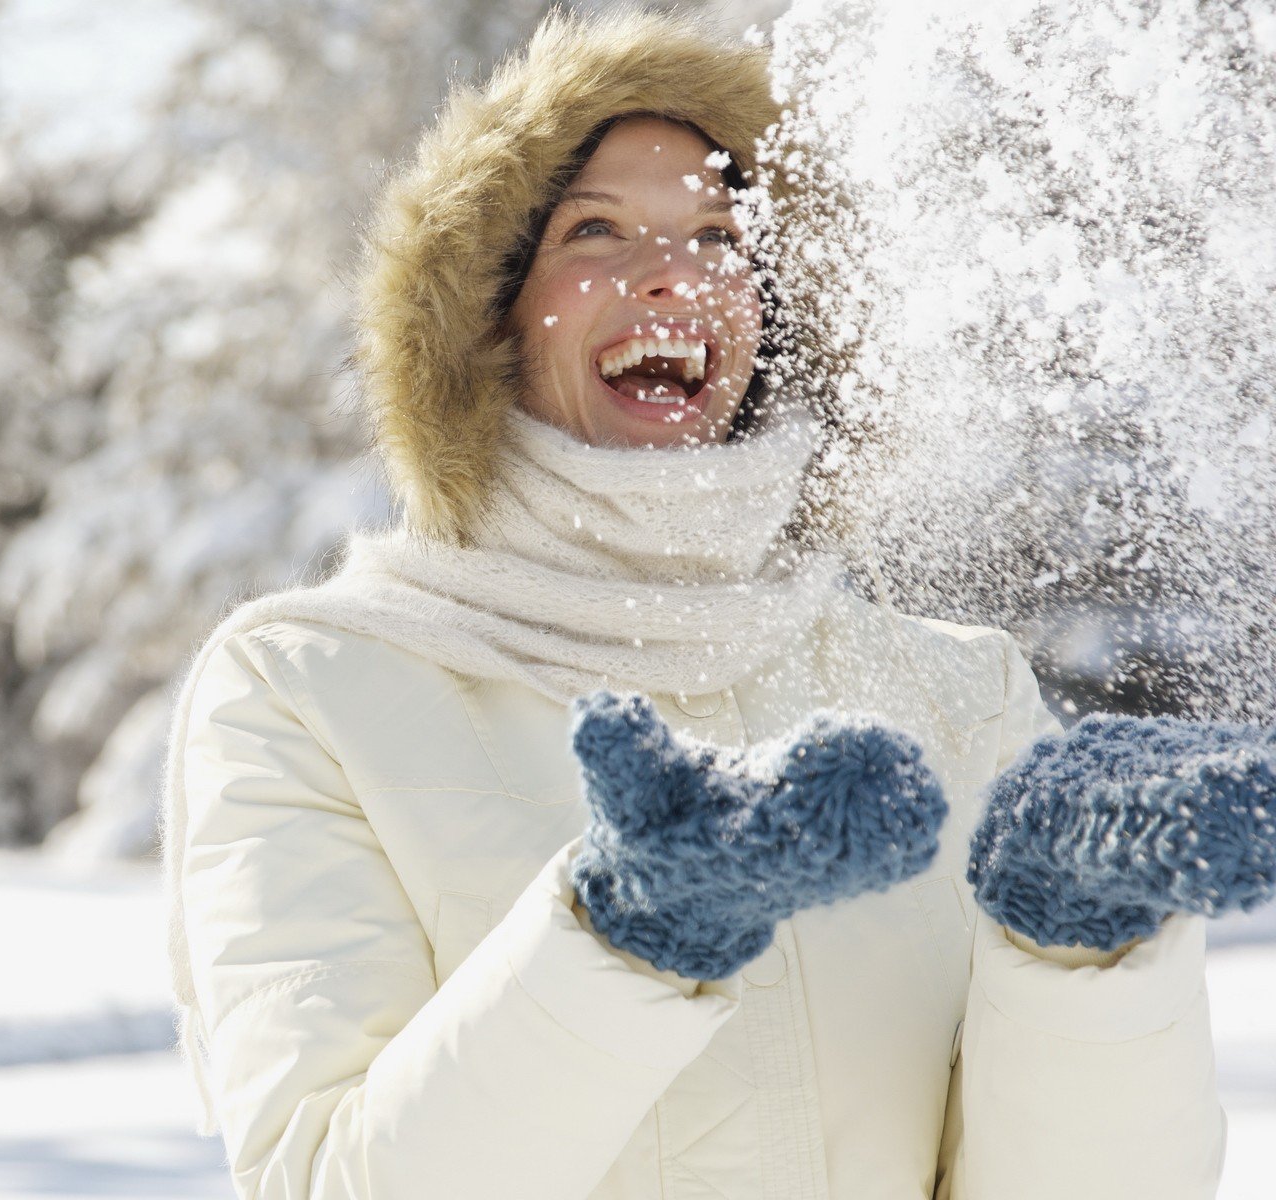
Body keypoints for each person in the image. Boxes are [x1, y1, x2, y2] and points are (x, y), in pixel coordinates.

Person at [159, 8, 1227, 1199]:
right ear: (483, 316)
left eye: (722, 232)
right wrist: (624, 935)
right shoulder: (314, 691)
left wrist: (1080, 950)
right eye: (595, 229)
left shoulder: (959, 694)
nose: (674, 273)